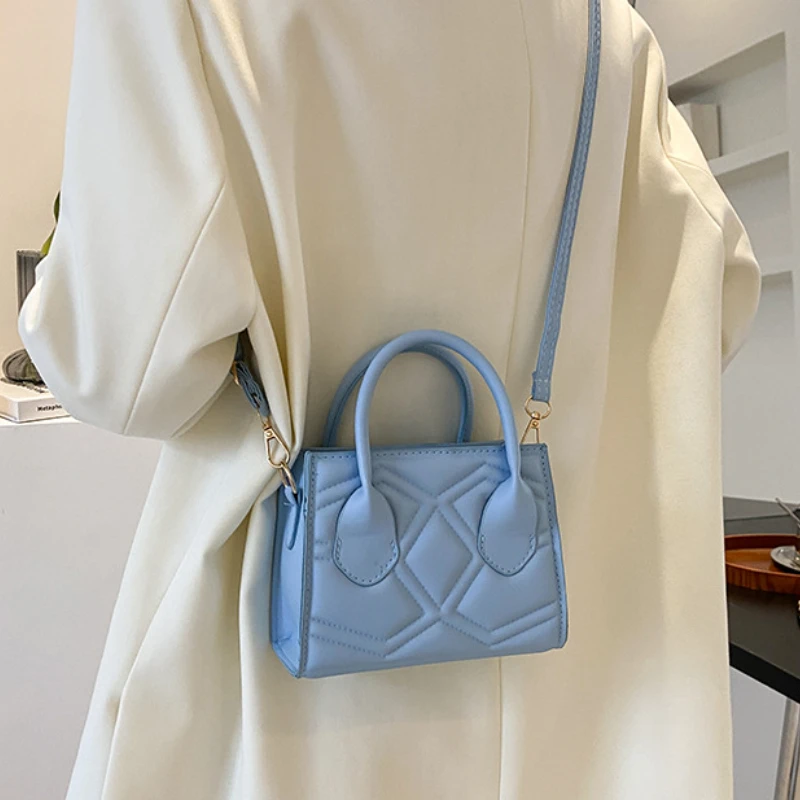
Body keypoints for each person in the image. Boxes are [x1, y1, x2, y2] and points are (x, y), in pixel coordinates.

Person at [19, 0, 760, 797]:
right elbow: (719, 298)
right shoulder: (608, 33)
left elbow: (116, 370)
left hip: (283, 700)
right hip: (578, 697)